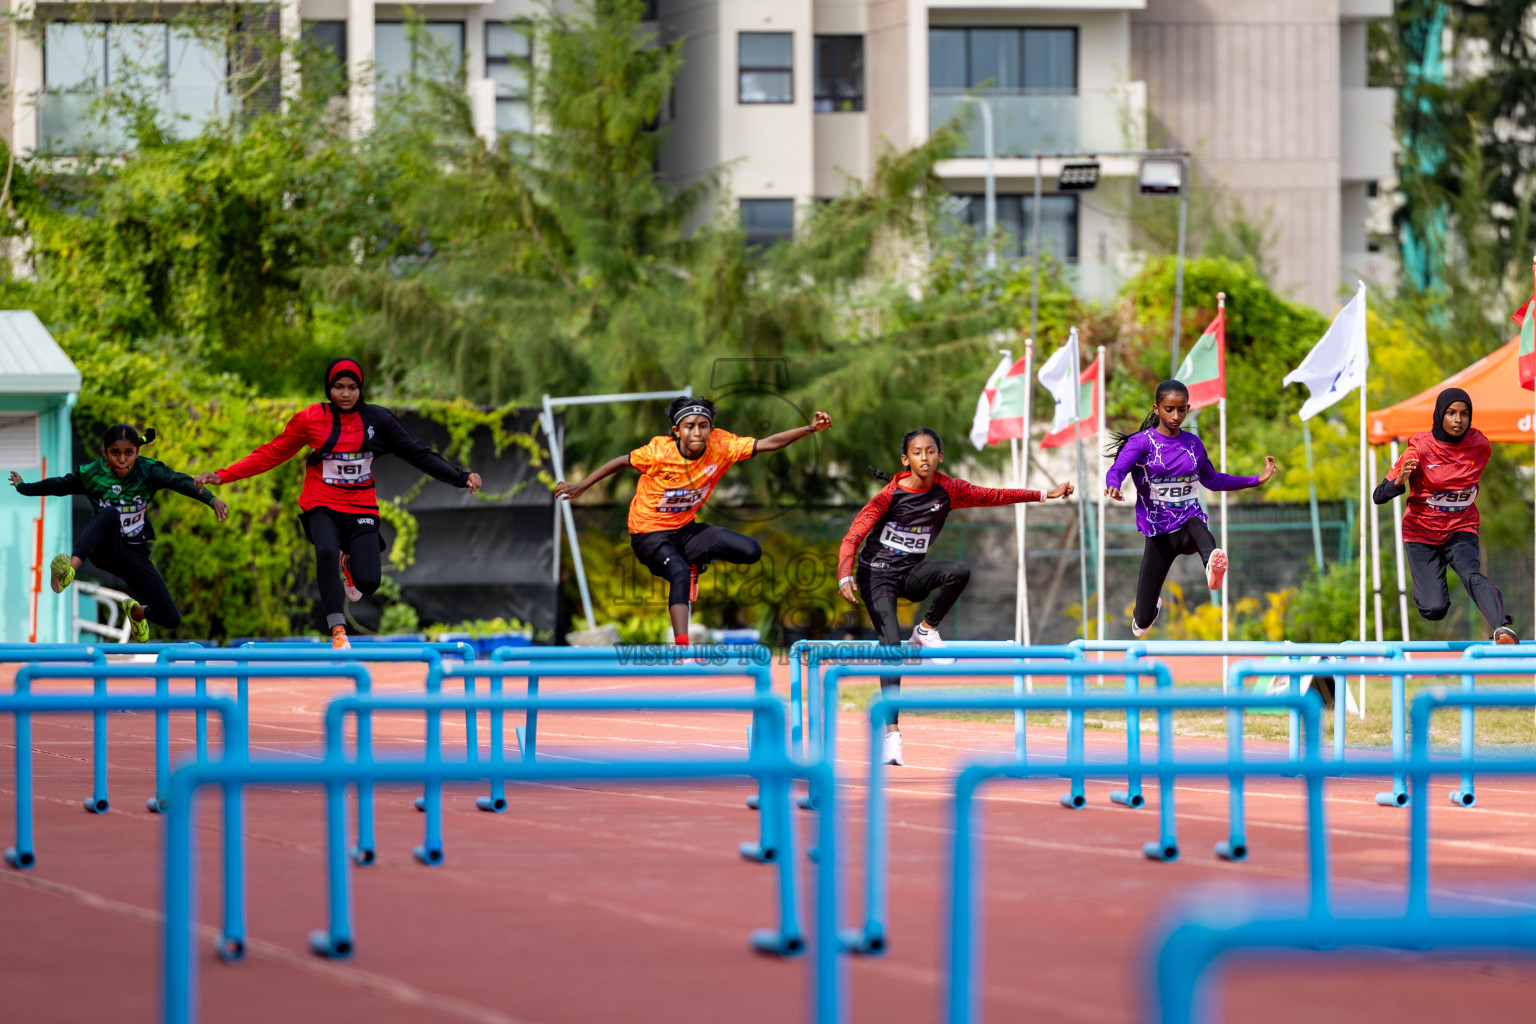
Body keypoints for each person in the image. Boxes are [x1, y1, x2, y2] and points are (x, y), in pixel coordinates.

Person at [194, 358, 481, 649]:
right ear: (328, 389)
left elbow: (418, 452)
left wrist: (461, 477)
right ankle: (338, 630)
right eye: (338, 387)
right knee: (327, 550)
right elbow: (271, 453)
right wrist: (222, 475)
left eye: (352, 387)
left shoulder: (378, 420)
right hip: (321, 502)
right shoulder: (311, 418)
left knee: (368, 582)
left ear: (361, 389)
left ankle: (350, 561)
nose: (345, 394)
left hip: (361, 506)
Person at [837, 427, 1074, 765]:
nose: (924, 458)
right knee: (890, 645)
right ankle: (892, 734)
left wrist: (1045, 494)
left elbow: (994, 495)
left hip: (911, 575)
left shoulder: (949, 490)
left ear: (940, 456)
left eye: (930, 451)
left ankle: (927, 628)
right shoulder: (888, 496)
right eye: (917, 452)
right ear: (906, 459)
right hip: (876, 576)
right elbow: (853, 535)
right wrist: (844, 573)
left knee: (959, 571)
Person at [554, 396, 832, 645]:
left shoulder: (722, 446)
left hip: (685, 528)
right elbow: (621, 461)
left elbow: (769, 443)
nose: (697, 432)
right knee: (678, 573)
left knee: (751, 552)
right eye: (690, 426)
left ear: (711, 429)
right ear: (677, 431)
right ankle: (682, 647)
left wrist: (810, 429)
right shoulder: (659, 452)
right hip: (648, 533)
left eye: (703, 426)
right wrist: (583, 485)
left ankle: (696, 560)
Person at [9, 424, 229, 642]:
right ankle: (70, 570)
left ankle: (135, 613)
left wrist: (212, 499)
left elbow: (180, 481)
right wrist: (23, 487)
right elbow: (58, 485)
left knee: (170, 617)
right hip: (105, 549)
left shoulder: (148, 470)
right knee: (110, 514)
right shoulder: (92, 474)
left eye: (129, 454)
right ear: (105, 453)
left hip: (135, 554)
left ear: (137, 452)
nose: (122, 461)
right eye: (115, 454)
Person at [1105, 379, 1278, 638]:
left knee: (1196, 522)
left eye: (1182, 410)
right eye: (1169, 409)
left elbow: (1214, 480)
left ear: (1188, 408)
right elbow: (1117, 469)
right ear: (1156, 408)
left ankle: (1212, 564)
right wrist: (1113, 485)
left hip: (1188, 526)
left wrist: (1257, 479)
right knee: (1140, 625)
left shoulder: (1193, 444)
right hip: (1159, 534)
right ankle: (1149, 610)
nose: (1176, 416)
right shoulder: (1143, 443)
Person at [1373, 386, 1517, 643]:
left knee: (1472, 573)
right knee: (1434, 609)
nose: (1458, 420)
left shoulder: (1480, 446)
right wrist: (1399, 481)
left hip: (1461, 527)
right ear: (1440, 415)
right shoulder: (1418, 449)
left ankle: (1502, 628)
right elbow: (1378, 496)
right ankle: (1431, 595)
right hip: (1421, 533)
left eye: (1464, 414)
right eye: (1451, 413)